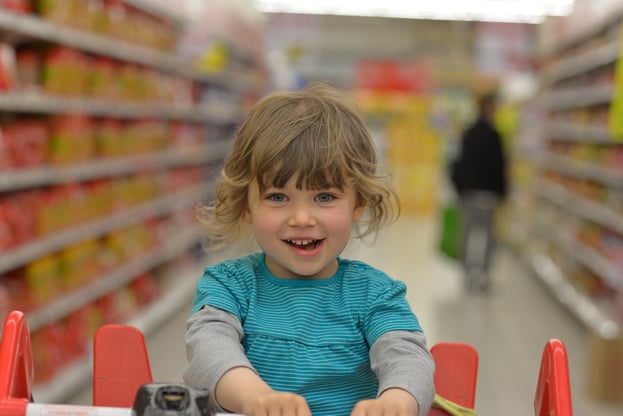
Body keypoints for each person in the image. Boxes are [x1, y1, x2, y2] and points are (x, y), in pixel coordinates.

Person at [183, 82, 435, 416]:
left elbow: (407, 356)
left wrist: (396, 401)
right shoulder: (229, 286)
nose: (302, 218)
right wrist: (256, 399)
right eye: (278, 197)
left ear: (357, 204)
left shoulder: (374, 294)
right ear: (246, 205)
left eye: (325, 197)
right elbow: (209, 350)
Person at [451, 92, 508, 292]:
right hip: (489, 194)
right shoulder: (495, 135)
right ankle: (483, 274)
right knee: (488, 235)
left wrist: (459, 187)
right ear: (490, 109)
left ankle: (467, 272)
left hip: (469, 192)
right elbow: (501, 167)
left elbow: (458, 162)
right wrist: (503, 192)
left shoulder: (469, 133)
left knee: (467, 232)